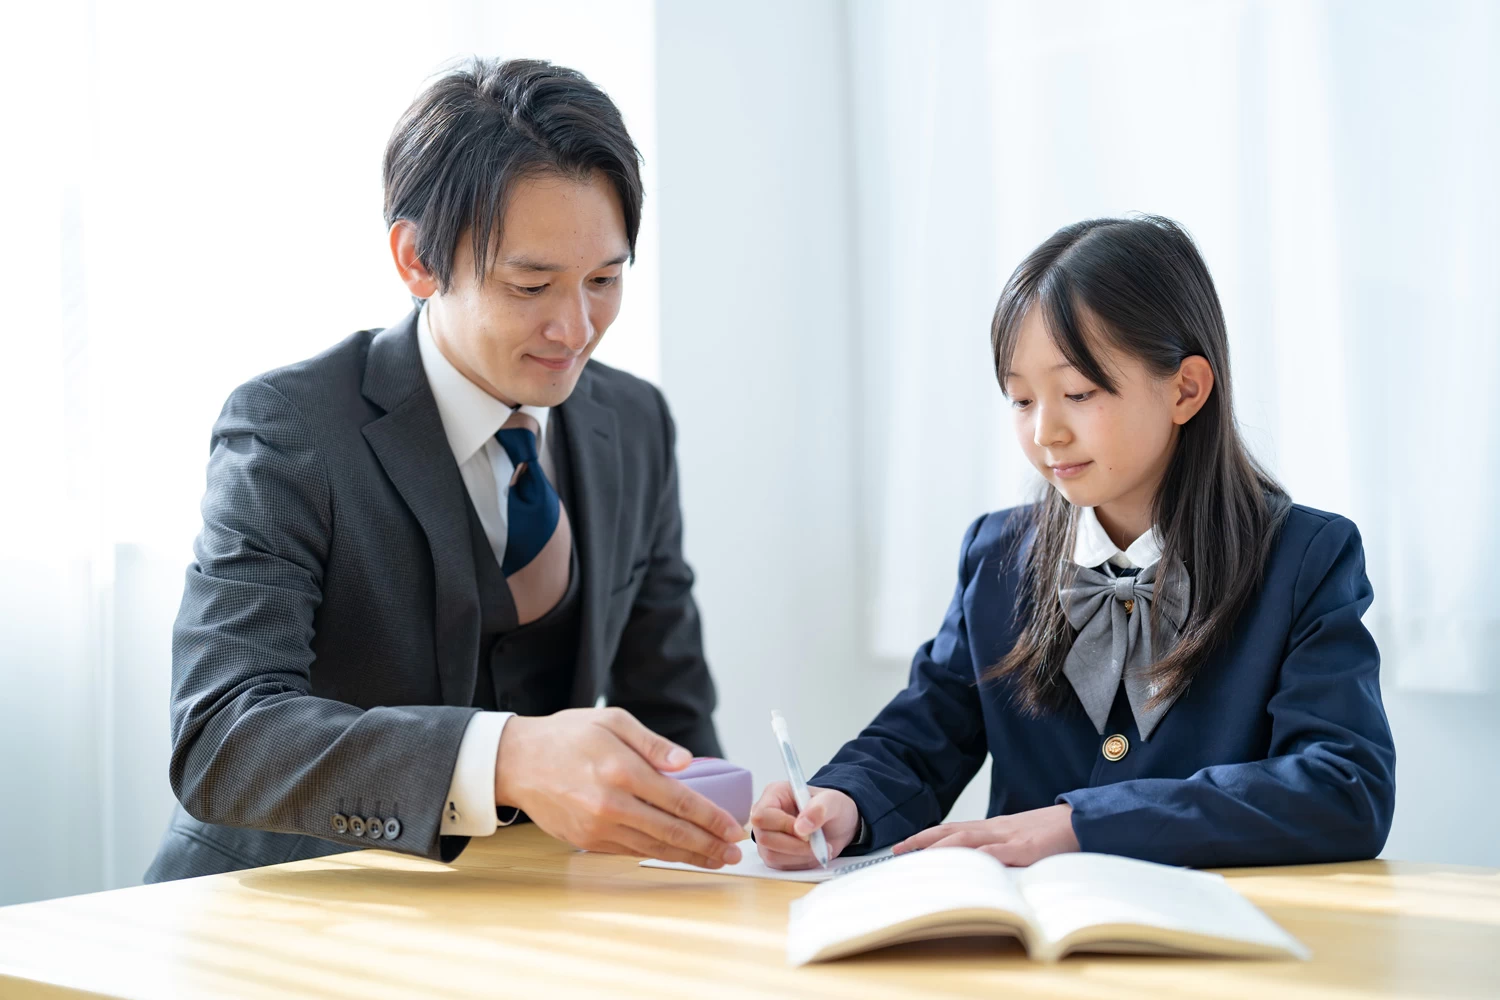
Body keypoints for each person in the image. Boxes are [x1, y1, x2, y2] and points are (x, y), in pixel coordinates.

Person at [145, 58, 745, 882]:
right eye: (531, 284)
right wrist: (501, 756)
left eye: (604, 281)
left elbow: (669, 704)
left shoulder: (632, 423)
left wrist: (730, 831)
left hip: (517, 910)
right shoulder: (293, 429)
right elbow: (223, 735)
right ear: (417, 261)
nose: (576, 328)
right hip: (282, 900)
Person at [751, 216, 1396, 870]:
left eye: (1078, 393)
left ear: (1186, 388)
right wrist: (841, 800)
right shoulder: (999, 554)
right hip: (1025, 943)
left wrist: (1078, 825)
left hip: (1219, 941)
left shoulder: (1303, 558)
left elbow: (1345, 787)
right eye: (1021, 399)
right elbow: (920, 738)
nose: (1046, 432)